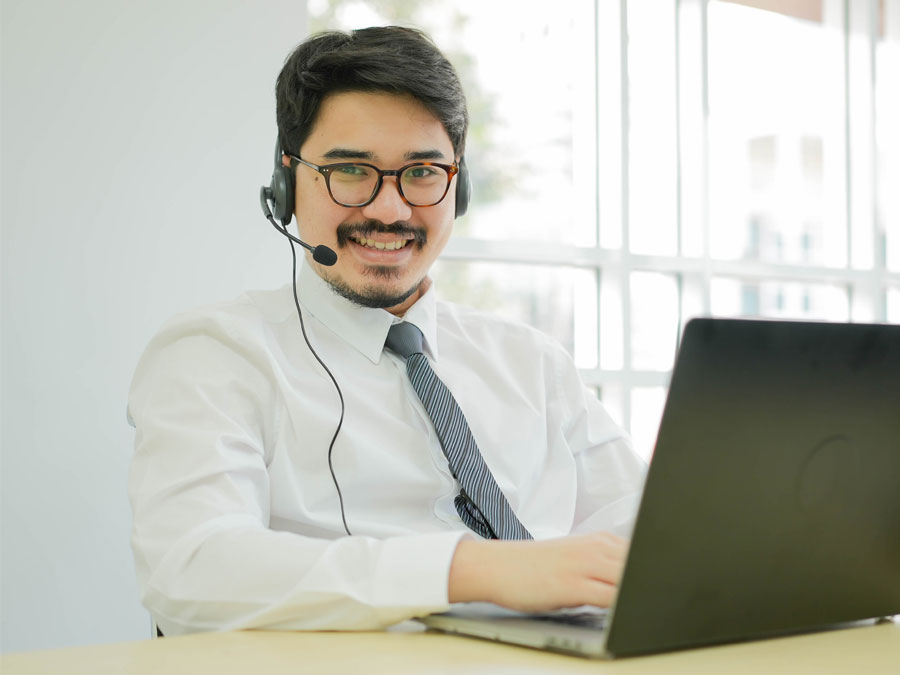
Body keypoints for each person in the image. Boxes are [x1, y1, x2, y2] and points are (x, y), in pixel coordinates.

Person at [128, 26, 646, 637]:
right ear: (287, 183)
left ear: (460, 185)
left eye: (423, 171)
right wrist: (467, 570)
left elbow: (651, 533)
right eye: (351, 170)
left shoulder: (531, 361)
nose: (390, 210)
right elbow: (190, 569)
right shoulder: (215, 354)